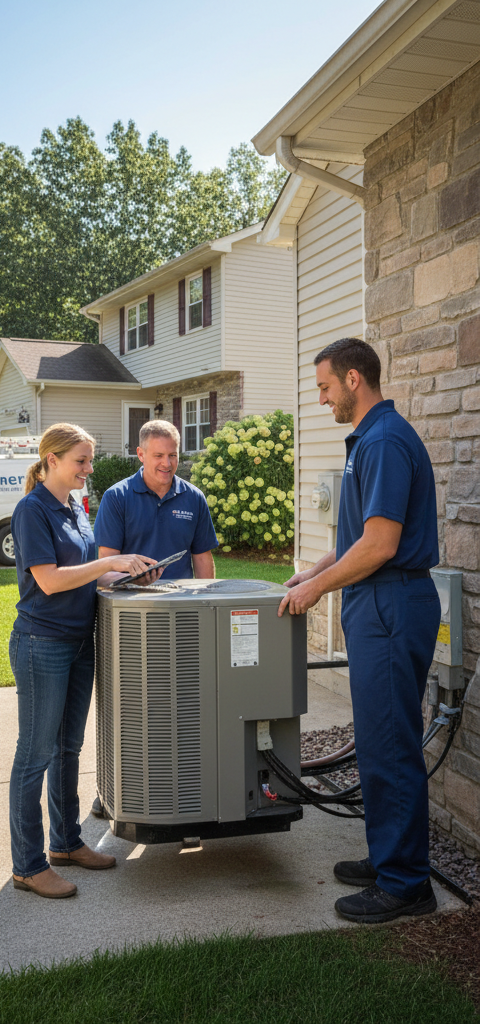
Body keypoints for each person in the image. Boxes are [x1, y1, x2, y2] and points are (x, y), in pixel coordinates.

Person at [279, 337, 440, 924]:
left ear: (353, 379)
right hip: (377, 602)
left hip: (392, 603)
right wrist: (313, 571)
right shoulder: (368, 441)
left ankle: (405, 886)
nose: (321, 399)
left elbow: (381, 544)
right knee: (376, 740)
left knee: (391, 744)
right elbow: (355, 542)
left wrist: (316, 591)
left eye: (324, 387)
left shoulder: (385, 442)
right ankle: (388, 857)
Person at [8, 423, 160, 899]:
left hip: (78, 640)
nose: (89, 469)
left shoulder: (75, 507)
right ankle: (28, 866)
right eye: (81, 461)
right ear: (52, 459)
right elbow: (50, 581)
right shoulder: (32, 510)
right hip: (41, 644)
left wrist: (126, 578)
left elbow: (84, 578)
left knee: (67, 749)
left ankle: (67, 843)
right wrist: (107, 564)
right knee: (34, 756)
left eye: (90, 460)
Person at [94, 420, 217, 579]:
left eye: (172, 455)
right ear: (140, 454)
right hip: (131, 599)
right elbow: (107, 563)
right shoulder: (116, 497)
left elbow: (202, 557)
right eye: (158, 455)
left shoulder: (194, 497)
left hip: (181, 600)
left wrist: (206, 600)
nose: (166, 464)